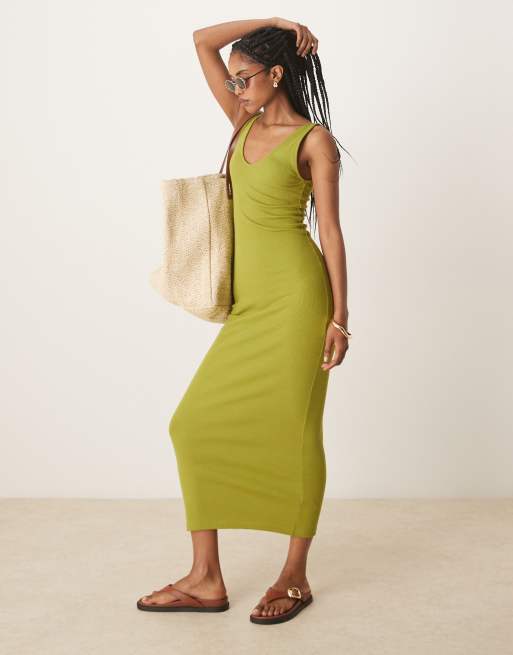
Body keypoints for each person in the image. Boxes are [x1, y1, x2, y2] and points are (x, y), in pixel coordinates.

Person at [137, 16, 351, 625]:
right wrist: (278, 20)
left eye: (244, 78)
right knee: (193, 424)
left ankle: (295, 575)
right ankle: (206, 577)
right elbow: (201, 40)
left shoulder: (312, 140)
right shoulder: (242, 122)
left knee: (297, 431)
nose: (235, 88)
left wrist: (340, 317)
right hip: (248, 304)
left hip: (298, 299)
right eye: (231, 80)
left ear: (276, 74)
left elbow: (330, 231)